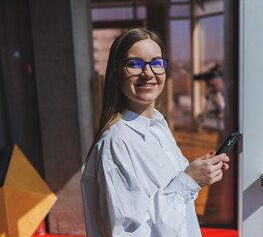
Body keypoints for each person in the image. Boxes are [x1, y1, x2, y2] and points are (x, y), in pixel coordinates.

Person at [81, 28, 230, 237]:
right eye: (134, 64)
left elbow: (172, 203)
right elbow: (128, 232)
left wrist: (198, 174)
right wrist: (188, 181)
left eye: (157, 63)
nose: (148, 73)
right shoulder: (116, 143)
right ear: (115, 74)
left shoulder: (158, 124)